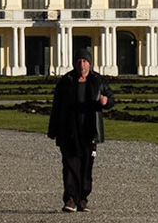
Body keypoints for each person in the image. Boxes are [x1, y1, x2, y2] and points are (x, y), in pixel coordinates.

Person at [47, 51, 113, 212]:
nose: (82, 64)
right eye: (79, 61)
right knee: (70, 165)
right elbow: (56, 106)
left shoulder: (98, 81)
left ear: (90, 64)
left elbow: (111, 98)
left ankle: (82, 198)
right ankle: (70, 199)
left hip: (89, 130)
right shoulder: (66, 81)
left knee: (86, 166)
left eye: (85, 61)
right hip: (69, 129)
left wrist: (106, 101)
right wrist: (53, 130)